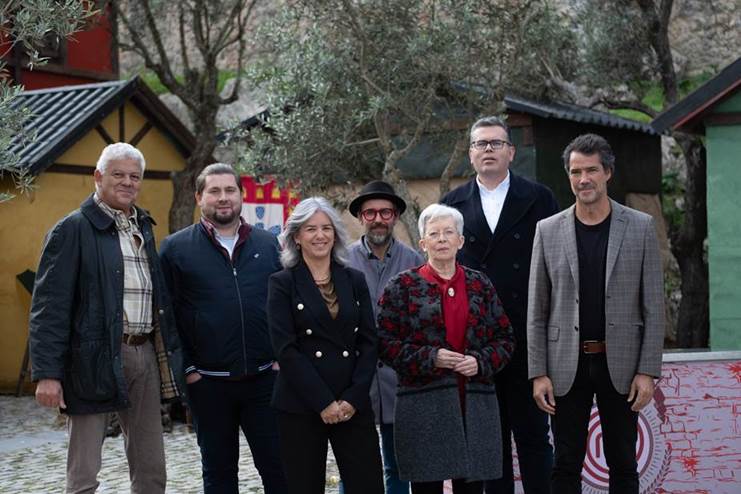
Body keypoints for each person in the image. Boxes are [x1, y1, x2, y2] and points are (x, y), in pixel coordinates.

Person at [29, 142, 185, 494]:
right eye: (118, 174)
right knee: (84, 473)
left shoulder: (143, 226)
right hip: (90, 357)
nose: (127, 182)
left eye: (135, 176)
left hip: (142, 353)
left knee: (151, 467)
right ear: (98, 177)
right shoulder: (72, 229)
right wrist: (47, 374)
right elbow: (48, 307)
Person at [527, 134, 664, 493]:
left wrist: (647, 371)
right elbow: (537, 309)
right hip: (563, 366)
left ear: (607, 173)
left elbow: (653, 304)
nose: (583, 179)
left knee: (623, 462)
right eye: (575, 171)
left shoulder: (640, 226)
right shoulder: (547, 230)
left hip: (620, 364)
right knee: (565, 464)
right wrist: (538, 372)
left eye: (591, 170)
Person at [441, 116, 558, 494]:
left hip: (528, 338)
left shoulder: (540, 198)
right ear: (470, 154)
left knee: (534, 439)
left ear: (511, 152)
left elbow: (556, 265)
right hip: (475, 344)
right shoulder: (451, 205)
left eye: (495, 143)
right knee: (490, 445)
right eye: (480, 144)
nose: (487, 150)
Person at [159, 163, 287, 494]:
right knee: (219, 475)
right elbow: (168, 316)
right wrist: (187, 369)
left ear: (241, 196)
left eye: (230, 190)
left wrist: (279, 359)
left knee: (280, 469)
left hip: (264, 381)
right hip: (208, 384)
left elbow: (284, 307)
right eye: (214, 191)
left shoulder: (268, 244)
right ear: (199, 197)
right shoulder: (175, 249)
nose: (223, 198)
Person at [377, 203, 516, 494]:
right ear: (423, 243)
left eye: (448, 232)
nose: (442, 239)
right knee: (427, 487)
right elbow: (385, 344)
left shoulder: (480, 284)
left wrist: (480, 361)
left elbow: (504, 338)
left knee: (472, 489)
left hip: (475, 404)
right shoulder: (401, 287)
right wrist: (432, 357)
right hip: (424, 407)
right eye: (434, 233)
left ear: (460, 241)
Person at [267, 197, 384, 494]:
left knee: (368, 485)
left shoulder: (354, 279)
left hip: (351, 403)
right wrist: (324, 402)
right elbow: (286, 348)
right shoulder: (282, 283)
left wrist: (352, 399)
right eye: (310, 229)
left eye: (326, 228)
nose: (320, 236)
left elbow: (369, 342)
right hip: (301, 404)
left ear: (335, 234)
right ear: (296, 237)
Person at [346, 180, 424, 494]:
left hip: (400, 380)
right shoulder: (342, 261)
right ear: (361, 217)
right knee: (355, 466)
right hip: (356, 380)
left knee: (398, 466)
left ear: (394, 216)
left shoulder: (415, 262)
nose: (378, 219)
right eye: (370, 212)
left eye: (385, 212)